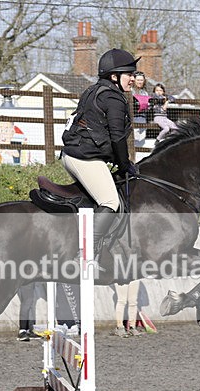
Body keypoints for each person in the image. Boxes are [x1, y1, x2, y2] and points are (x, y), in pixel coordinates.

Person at [61, 48, 139, 259]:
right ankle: (85, 253)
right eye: (129, 74)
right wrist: (124, 164)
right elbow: (116, 137)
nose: (134, 78)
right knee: (110, 202)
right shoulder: (113, 98)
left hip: (73, 155)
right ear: (114, 76)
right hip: (84, 158)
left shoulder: (94, 90)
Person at [130, 71, 150, 146]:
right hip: (133, 117)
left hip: (142, 117)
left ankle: (139, 154)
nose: (140, 82)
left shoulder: (144, 92)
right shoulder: (131, 91)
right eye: (138, 80)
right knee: (135, 136)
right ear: (134, 80)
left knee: (142, 137)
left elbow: (148, 104)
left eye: (141, 80)